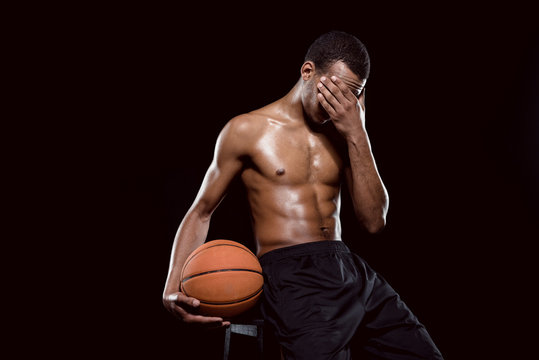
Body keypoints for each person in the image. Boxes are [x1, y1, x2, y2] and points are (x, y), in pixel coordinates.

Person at [163, 31, 443, 359]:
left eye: (351, 96)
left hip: (347, 266)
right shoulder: (246, 130)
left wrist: (358, 132)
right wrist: (171, 287)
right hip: (292, 275)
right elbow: (201, 211)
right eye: (332, 91)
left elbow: (373, 221)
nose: (339, 105)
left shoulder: (346, 133)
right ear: (308, 72)